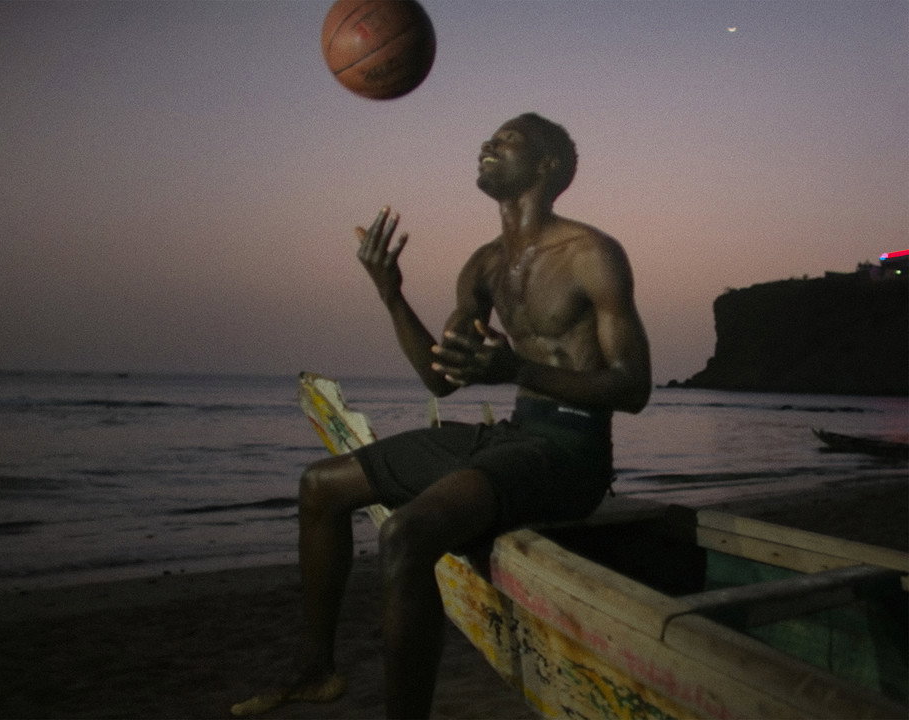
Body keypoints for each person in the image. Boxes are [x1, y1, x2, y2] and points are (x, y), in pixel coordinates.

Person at [231, 113, 651, 719]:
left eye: (507, 140)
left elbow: (633, 387)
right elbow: (439, 379)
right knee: (320, 486)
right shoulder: (483, 266)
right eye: (490, 138)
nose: (488, 144)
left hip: (571, 451)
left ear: (546, 166)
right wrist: (390, 292)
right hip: (513, 436)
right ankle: (317, 671)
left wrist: (516, 370)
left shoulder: (592, 254)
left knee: (405, 534)